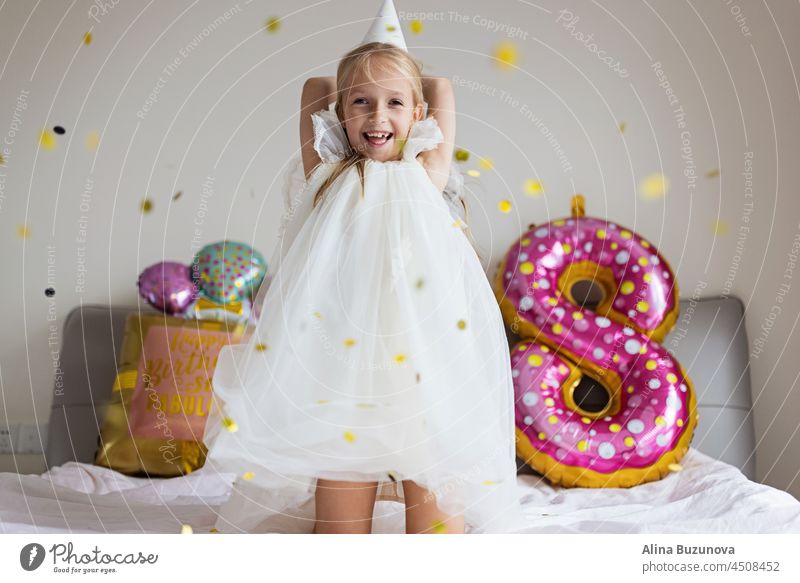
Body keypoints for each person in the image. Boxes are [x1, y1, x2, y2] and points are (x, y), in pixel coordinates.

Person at [203, 15, 525, 536]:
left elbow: (439, 86)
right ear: (340, 114)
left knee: (439, 528)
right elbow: (315, 89)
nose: (378, 115)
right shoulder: (326, 172)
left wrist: (397, 73)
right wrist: (362, 77)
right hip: (341, 370)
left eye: (395, 103)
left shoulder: (427, 172)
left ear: (418, 114)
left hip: (424, 366)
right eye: (361, 102)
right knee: (338, 538)